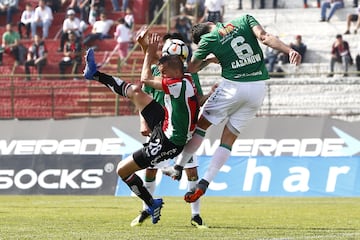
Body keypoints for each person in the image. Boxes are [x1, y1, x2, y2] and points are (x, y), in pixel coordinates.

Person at [162, 14, 301, 203]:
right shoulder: (244, 20)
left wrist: (210, 60)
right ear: (210, 23)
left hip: (233, 86)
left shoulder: (208, 39)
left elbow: (192, 68)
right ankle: (205, 182)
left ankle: (178, 167)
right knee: (228, 139)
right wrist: (289, 50)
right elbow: (265, 37)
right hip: (258, 89)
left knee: (202, 125)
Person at [83, 31, 199, 224]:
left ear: (176, 70)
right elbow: (157, 67)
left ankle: (152, 203)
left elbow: (146, 78)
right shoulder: (183, 76)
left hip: (168, 142)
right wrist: (147, 48)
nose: (161, 77)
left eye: (164, 74)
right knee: (136, 92)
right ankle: (94, 74)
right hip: (166, 120)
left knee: (122, 170)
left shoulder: (178, 84)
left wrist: (147, 53)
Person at [130, 30, 213, 228]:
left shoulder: (186, 76)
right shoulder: (157, 70)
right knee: (150, 170)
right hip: (159, 127)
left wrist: (210, 94)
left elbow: (197, 100)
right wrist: (143, 122)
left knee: (191, 172)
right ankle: (145, 210)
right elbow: (145, 97)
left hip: (181, 128)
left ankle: (196, 216)